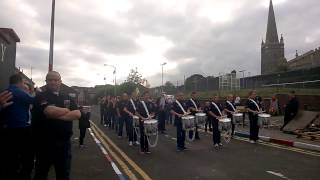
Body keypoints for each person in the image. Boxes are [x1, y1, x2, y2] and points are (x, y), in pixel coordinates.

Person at [32, 71, 81, 180]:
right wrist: (67, 111)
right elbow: (49, 111)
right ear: (46, 81)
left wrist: (55, 115)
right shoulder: (40, 96)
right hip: (44, 144)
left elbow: (77, 114)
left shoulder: (67, 96)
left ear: (60, 82)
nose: (53, 82)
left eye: (56, 80)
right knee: (41, 174)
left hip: (63, 145)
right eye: (50, 80)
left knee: (63, 174)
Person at [0, 74, 35, 180]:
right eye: (23, 84)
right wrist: (36, 93)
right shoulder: (18, 92)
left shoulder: (5, 91)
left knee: (11, 159)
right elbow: (33, 100)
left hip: (8, 129)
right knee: (26, 158)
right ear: (19, 82)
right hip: (21, 129)